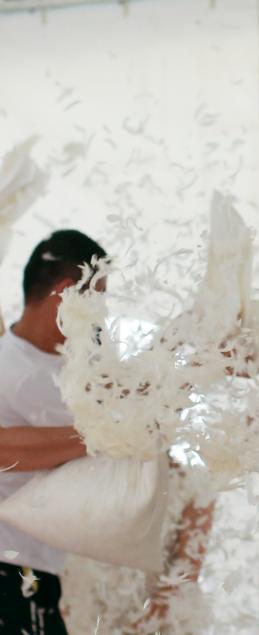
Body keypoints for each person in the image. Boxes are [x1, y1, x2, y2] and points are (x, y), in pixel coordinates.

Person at [0, 229, 106, 635]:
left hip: (36, 576)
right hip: (10, 573)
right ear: (65, 292)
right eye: (97, 297)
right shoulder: (14, 370)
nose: (100, 314)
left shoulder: (66, 366)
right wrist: (101, 435)